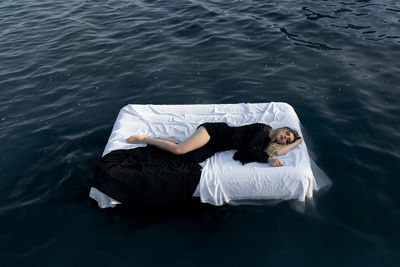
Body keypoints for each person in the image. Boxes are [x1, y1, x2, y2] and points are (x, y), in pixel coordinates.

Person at [126, 122, 302, 167]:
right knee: (179, 151)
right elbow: (251, 151)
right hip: (214, 132)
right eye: (287, 134)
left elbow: (277, 153)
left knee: (191, 158)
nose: (285, 138)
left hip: (217, 145)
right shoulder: (263, 130)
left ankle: (172, 140)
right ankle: (146, 139)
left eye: (287, 140)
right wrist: (268, 160)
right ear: (282, 129)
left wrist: (297, 142)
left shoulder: (266, 143)